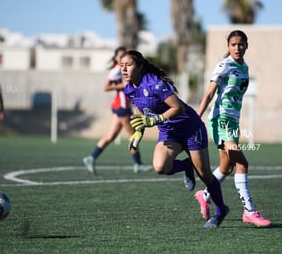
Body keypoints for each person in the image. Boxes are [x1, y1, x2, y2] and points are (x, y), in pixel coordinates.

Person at [121, 50, 229, 228]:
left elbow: (178, 107)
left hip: (190, 128)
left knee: (205, 175)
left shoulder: (155, 83)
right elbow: (140, 110)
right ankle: (186, 165)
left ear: (140, 67)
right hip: (169, 132)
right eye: (122, 66)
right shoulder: (129, 88)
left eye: (129, 65)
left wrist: (155, 119)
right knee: (160, 167)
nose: (124, 69)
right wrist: (138, 132)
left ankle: (220, 210)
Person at [194, 30, 272, 227]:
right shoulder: (224, 65)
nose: (237, 48)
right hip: (220, 120)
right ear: (228, 46)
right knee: (242, 163)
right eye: (233, 44)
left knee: (226, 167)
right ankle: (249, 212)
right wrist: (196, 119)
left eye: (241, 44)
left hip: (233, 123)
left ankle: (204, 195)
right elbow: (209, 95)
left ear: (247, 45)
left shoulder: (244, 67)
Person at [82, 46, 152, 174]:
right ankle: (138, 164)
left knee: (111, 136)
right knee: (134, 135)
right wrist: (122, 85)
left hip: (122, 106)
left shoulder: (125, 69)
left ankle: (90, 158)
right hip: (122, 107)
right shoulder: (116, 70)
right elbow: (106, 87)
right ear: (115, 58)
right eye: (120, 56)